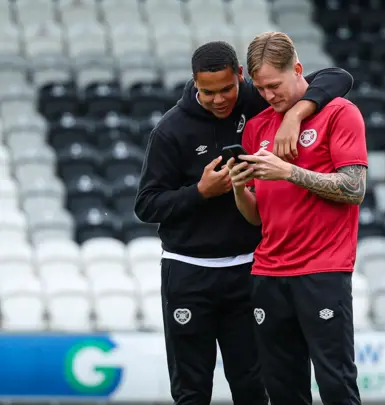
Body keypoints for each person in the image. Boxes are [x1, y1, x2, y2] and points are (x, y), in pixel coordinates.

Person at [134, 41, 353, 405]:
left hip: (248, 270)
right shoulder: (170, 131)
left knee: (254, 386)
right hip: (189, 270)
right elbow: (146, 205)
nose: (219, 100)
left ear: (240, 76)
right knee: (191, 389)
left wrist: (297, 112)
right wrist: (200, 192)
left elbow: (337, 77)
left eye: (226, 89)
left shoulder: (258, 98)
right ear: (193, 83)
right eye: (208, 92)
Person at [227, 32, 367, 405]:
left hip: (322, 271)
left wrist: (289, 172)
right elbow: (257, 218)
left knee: (335, 382)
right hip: (268, 273)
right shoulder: (257, 126)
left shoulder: (340, 112)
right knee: (282, 388)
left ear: (299, 69)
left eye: (274, 85)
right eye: (261, 88)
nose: (269, 95)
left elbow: (355, 188)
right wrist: (241, 189)